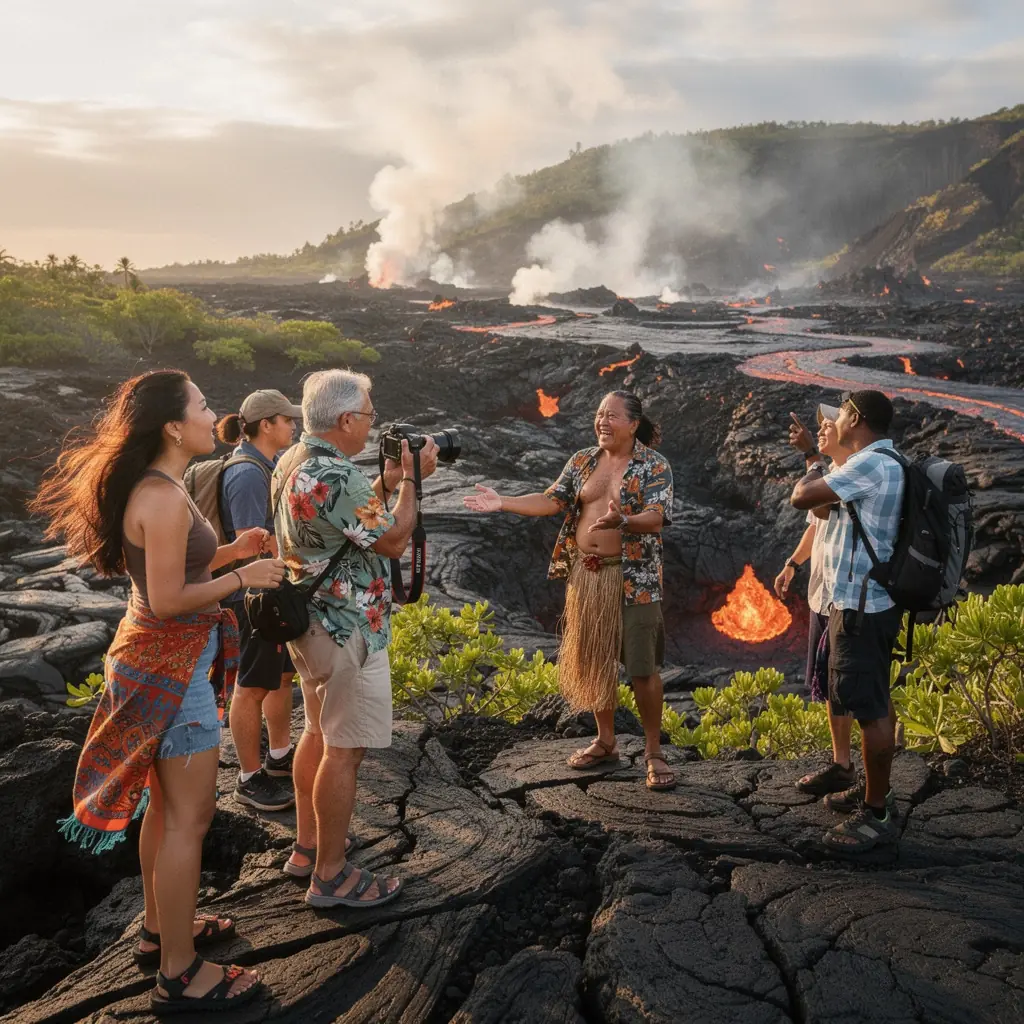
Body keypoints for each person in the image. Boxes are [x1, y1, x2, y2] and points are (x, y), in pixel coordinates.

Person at [31, 370, 285, 1013]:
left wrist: (230, 551)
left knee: (167, 813)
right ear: (174, 425)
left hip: (155, 662)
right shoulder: (164, 495)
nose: (212, 412)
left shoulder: (162, 485)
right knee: (190, 821)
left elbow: (173, 572)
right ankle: (178, 973)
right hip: (168, 672)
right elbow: (170, 600)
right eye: (203, 404)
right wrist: (245, 575)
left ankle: (157, 931)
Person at [275, 369, 438, 907]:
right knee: (345, 750)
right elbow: (391, 540)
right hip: (348, 627)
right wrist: (412, 480)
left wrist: (386, 483)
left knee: (318, 734)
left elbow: (346, 520)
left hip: (309, 623)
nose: (372, 425)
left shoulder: (293, 461)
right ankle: (332, 875)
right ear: (346, 419)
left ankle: (307, 847)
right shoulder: (336, 474)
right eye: (368, 415)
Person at [463, 390, 675, 790]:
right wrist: (502, 502)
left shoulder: (654, 466)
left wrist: (623, 521)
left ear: (633, 424)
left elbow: (656, 517)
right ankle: (606, 741)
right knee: (594, 659)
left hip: (635, 580)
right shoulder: (583, 460)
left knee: (644, 669)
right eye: (599, 414)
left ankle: (653, 752)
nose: (602, 421)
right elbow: (551, 501)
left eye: (611, 415)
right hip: (586, 575)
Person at [790, 389, 904, 853]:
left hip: (862, 606)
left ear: (854, 418)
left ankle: (877, 816)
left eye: (842, 414)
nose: (834, 422)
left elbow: (803, 497)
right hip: (858, 602)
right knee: (869, 697)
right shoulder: (872, 463)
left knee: (870, 707)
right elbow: (822, 512)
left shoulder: (872, 464)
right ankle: (873, 790)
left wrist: (812, 457)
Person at [217, 389, 303, 813]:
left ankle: (280, 755)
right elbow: (251, 546)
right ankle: (249, 778)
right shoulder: (249, 474)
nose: (293, 426)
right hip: (255, 599)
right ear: (265, 425)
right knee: (251, 686)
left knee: (281, 677)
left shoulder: (266, 466)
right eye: (287, 420)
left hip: (270, 595)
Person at [776, 404, 857, 798]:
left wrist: (810, 455)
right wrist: (792, 563)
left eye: (829, 426)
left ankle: (874, 774)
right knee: (829, 681)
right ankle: (841, 762)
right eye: (821, 427)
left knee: (855, 684)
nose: (822, 430)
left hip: (849, 600)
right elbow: (815, 522)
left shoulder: (854, 474)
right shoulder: (833, 476)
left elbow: (806, 499)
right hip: (822, 598)